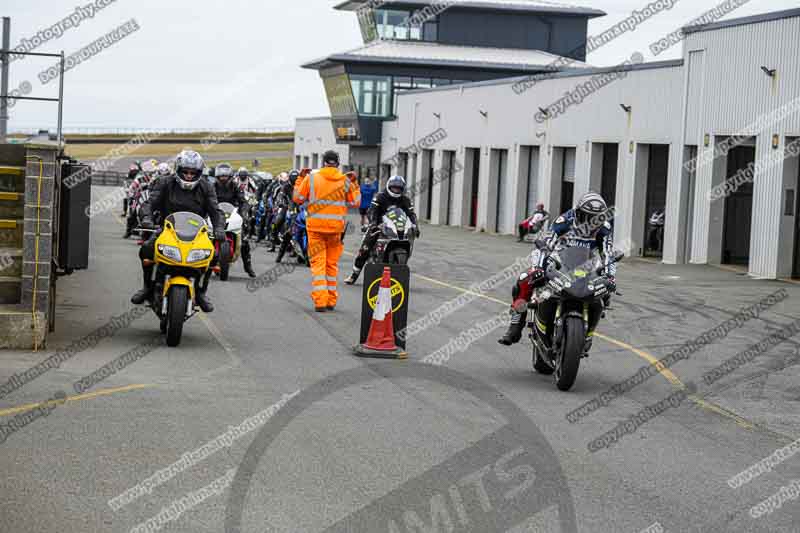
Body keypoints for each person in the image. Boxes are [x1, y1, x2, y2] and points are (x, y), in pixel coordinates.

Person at [498, 191, 617, 347]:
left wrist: (610, 276)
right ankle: (515, 324)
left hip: (587, 266)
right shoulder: (564, 220)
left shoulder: (605, 227)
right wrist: (540, 267)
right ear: (578, 212)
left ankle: (588, 334)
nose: (591, 222)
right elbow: (547, 243)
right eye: (587, 216)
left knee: (605, 292)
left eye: (595, 219)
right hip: (558, 260)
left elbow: (608, 254)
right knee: (525, 280)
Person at [131, 150, 226, 313]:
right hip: (166, 229)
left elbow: (216, 210)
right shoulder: (164, 182)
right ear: (178, 170)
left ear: (199, 173)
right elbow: (149, 203)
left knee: (213, 255)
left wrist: (218, 228)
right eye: (185, 172)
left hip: (197, 233)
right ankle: (147, 287)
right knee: (146, 249)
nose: (189, 176)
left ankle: (201, 292)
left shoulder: (206, 186)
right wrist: (146, 218)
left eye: (193, 173)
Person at [293, 150, 359, 312]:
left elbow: (298, 199)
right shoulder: (345, 181)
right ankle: (330, 300)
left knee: (318, 266)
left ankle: (321, 301)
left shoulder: (311, 178)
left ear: (323, 162)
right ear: (337, 163)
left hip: (315, 229)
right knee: (331, 265)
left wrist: (300, 179)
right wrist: (355, 184)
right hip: (335, 230)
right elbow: (356, 202)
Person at [344, 175, 419, 285]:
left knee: (409, 239)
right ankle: (354, 274)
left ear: (402, 189)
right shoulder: (380, 197)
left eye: (398, 188)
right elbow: (372, 211)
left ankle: (400, 274)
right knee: (365, 247)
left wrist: (415, 226)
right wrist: (374, 223)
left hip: (398, 227)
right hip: (379, 225)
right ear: (389, 186)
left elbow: (411, 214)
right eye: (394, 188)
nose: (396, 190)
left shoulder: (405, 200)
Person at [213, 163, 256, 277]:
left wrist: (244, 213)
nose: (223, 178)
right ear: (217, 176)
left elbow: (243, 201)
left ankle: (248, 267)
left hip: (232, 214)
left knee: (244, 241)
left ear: (230, 176)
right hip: (215, 215)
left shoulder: (235, 186)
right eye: (221, 176)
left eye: (225, 176)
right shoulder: (212, 187)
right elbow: (206, 200)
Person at [267, 172, 292, 252]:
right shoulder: (277, 188)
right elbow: (275, 197)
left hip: (293, 208)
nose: (284, 183)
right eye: (282, 182)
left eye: (286, 182)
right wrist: (277, 205)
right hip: (283, 207)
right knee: (274, 224)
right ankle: (272, 244)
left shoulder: (294, 187)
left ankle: (293, 248)